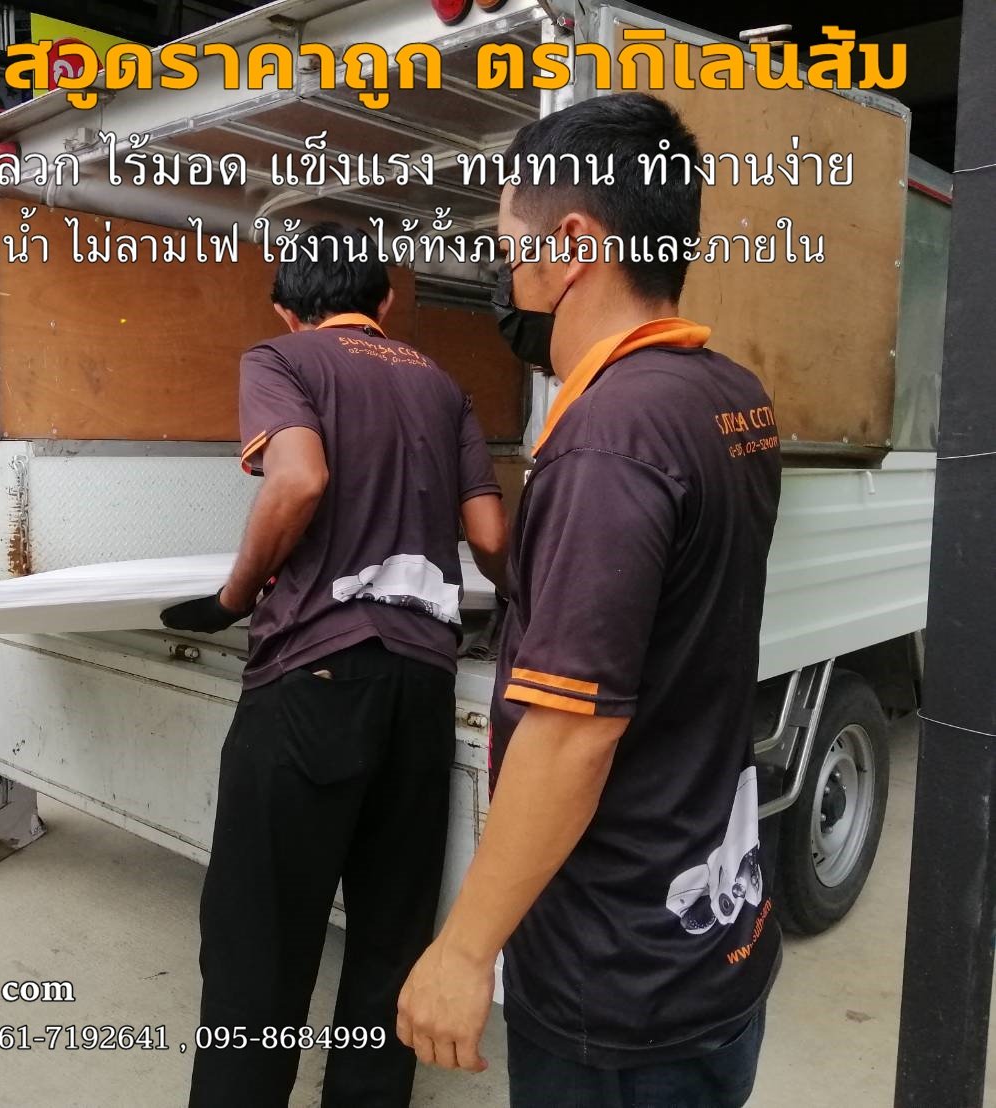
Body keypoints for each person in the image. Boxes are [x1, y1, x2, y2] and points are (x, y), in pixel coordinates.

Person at [396, 92, 783, 1108]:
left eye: (507, 249)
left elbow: (573, 732)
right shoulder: (727, 393)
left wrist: (463, 949)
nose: (504, 277)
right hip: (713, 935)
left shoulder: (611, 440)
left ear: (571, 246)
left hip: (619, 977)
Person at [161, 223, 509, 1107]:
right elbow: (489, 535)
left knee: (258, 940)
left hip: (311, 679)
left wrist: (234, 597)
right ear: (385, 300)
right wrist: (530, 605)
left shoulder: (281, 359)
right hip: (420, 685)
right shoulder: (443, 385)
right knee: (391, 936)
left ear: (286, 308)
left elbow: (298, 480)